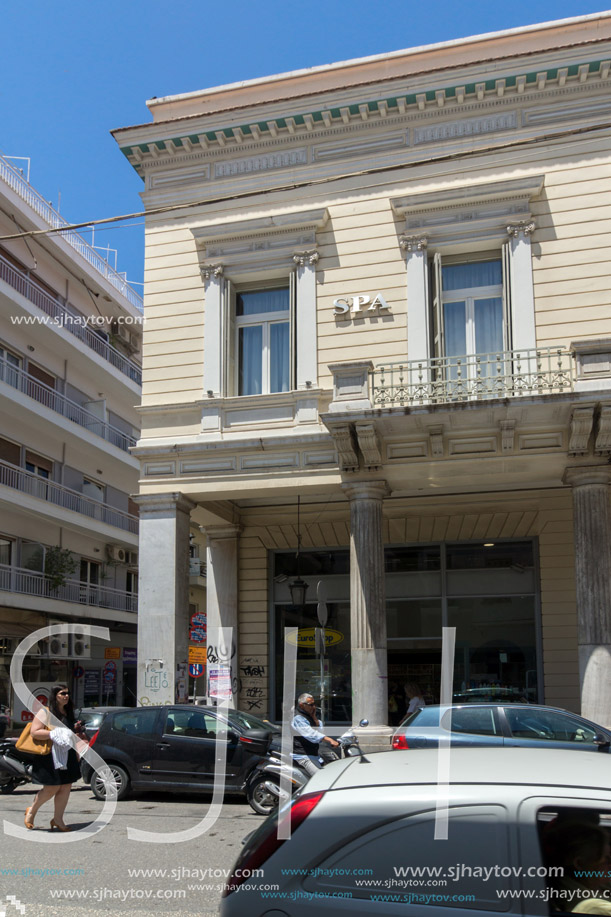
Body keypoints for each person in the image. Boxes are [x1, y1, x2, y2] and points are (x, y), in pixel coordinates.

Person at [24, 685, 86, 832]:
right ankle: (31, 810)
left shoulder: (69, 713)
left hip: (68, 754)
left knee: (65, 787)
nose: (66, 696)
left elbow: (70, 735)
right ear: (55, 696)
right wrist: (54, 733)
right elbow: (34, 732)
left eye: (68, 693)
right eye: (62, 693)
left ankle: (58, 819)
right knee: (51, 788)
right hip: (50, 755)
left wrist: (77, 753)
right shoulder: (45, 712)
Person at [542, 820, 611, 913]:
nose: (610, 863)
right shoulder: (594, 907)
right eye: (606, 859)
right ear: (580, 864)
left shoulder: (592, 883)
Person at [291, 693, 339, 777]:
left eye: (314, 704)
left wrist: (314, 718)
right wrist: (330, 740)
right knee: (319, 777)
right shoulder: (298, 718)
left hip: (313, 754)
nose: (313, 707)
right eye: (311, 704)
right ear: (301, 705)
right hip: (302, 756)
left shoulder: (309, 717)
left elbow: (320, 731)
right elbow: (311, 734)